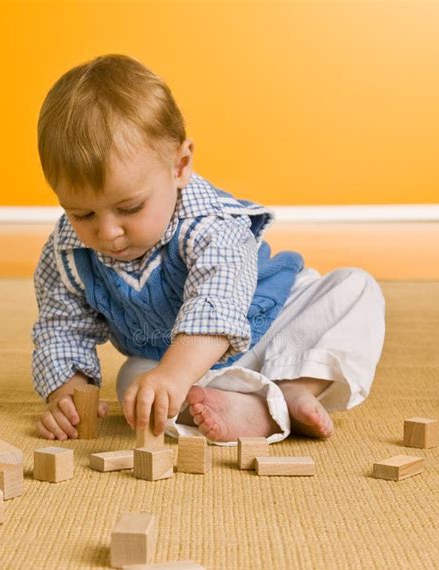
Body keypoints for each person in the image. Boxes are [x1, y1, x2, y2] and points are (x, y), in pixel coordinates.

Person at [32, 53, 385, 447]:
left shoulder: (211, 224)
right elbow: (61, 328)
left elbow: (216, 303)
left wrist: (175, 375)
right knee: (135, 382)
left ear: (180, 166)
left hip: (272, 325)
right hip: (179, 365)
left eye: (130, 208)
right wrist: (68, 391)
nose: (108, 231)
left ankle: (295, 388)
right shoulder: (68, 254)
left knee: (354, 288)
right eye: (82, 213)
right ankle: (246, 405)